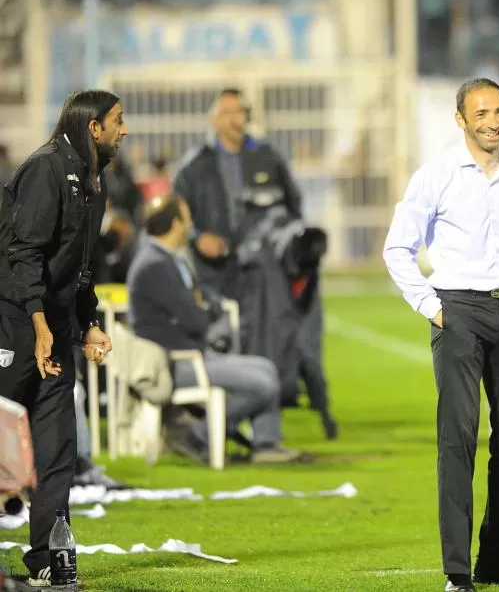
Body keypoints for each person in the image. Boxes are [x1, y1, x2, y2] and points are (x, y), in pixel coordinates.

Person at [383, 78, 499, 592]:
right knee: (457, 439)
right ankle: (458, 572)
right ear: (461, 119)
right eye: (481, 113)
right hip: (456, 310)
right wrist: (431, 306)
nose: (493, 121)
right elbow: (397, 249)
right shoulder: (435, 175)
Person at [0, 90, 124, 586]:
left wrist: (87, 320)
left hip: (54, 327)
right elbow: (22, 251)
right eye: (118, 120)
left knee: (57, 448)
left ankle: (49, 558)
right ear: (92, 127)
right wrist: (37, 322)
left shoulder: (96, 182)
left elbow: (82, 267)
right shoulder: (44, 170)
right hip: (14, 321)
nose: (125, 129)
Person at [173, 88, 338, 439]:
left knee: (268, 348)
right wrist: (197, 238)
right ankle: (216, 427)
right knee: (223, 350)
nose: (236, 119)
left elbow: (293, 208)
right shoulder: (195, 164)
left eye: (241, 112)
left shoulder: (268, 157)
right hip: (215, 275)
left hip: (264, 276)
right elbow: (178, 216)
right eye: (228, 112)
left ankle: (262, 435)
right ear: (214, 118)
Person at [126, 195, 306, 465]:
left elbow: (196, 304)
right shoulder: (157, 265)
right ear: (176, 223)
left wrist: (199, 306)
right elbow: (196, 320)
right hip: (175, 362)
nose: (191, 224)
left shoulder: (162, 258)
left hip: (184, 354)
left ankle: (266, 443)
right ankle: (198, 436)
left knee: (266, 368)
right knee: (263, 383)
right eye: (187, 217)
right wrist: (203, 310)